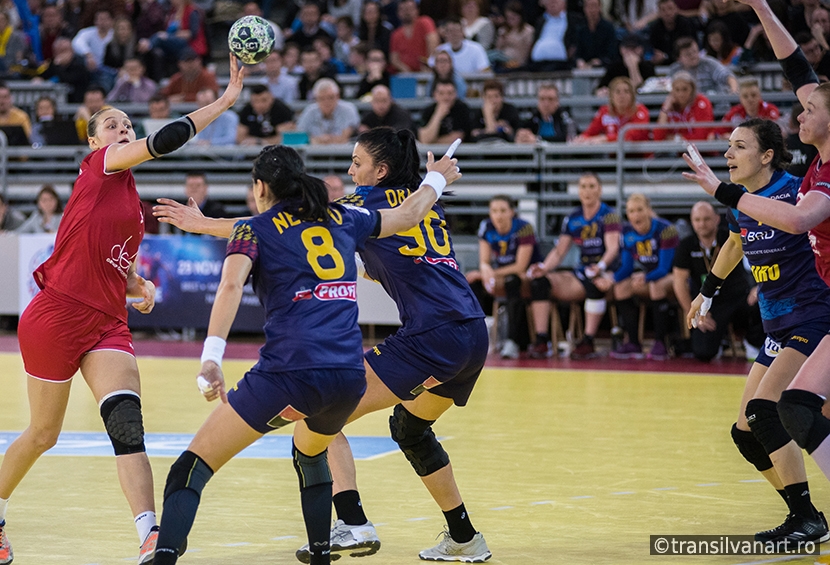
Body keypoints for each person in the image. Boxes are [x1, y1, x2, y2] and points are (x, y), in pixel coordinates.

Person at [152, 127, 489, 563]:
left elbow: (278, 224)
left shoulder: (359, 205)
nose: (350, 171)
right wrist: (435, 180)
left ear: (380, 171)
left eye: (357, 163)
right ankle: (464, 537)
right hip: (472, 332)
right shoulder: (422, 201)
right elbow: (408, 226)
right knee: (410, 429)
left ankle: (351, 523)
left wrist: (201, 224)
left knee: (323, 417)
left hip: (431, 336)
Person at [0, 54, 246, 565]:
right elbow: (162, 141)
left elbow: (114, 259)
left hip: (107, 320)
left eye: (126, 124)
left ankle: (150, 534)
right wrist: (223, 102)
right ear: (94, 141)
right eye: (113, 124)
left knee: (126, 423)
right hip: (58, 314)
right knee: (44, 433)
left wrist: (139, 283)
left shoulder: (132, 203)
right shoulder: (99, 166)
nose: (122, 129)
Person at [681, 0, 830, 538]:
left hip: (814, 318)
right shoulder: (751, 205)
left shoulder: (798, 191)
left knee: (779, 412)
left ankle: (807, 518)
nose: (728, 152)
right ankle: (803, 512)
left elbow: (795, 222)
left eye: (738, 145)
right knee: (747, 432)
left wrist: (718, 188)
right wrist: (707, 292)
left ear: (767, 155)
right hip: (777, 325)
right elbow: (736, 245)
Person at [527, 172, 621, 359]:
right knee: (540, 282)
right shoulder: (572, 218)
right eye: (583, 186)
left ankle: (588, 340)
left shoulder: (609, 216)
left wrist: (600, 267)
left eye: (592, 186)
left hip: (609, 270)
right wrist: (544, 267)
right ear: (578, 191)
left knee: (595, 284)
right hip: (583, 271)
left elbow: (613, 249)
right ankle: (541, 340)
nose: (587, 191)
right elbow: (560, 251)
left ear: (600, 190)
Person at [672, 200, 763, 362]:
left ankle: (752, 341)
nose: (702, 224)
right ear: (691, 222)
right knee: (703, 353)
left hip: (738, 297)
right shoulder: (686, 245)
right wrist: (693, 312)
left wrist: (756, 287)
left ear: (717, 219)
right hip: (709, 304)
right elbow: (679, 281)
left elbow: (756, 261)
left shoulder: (730, 238)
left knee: (761, 301)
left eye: (706, 219)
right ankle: (720, 341)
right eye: (697, 220)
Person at [466, 194, 547, 359]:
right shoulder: (486, 227)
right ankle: (475, 337)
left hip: (526, 277)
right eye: (494, 211)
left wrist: (487, 273)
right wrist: (484, 270)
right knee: (472, 283)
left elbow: (520, 266)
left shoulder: (524, 227)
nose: (498, 215)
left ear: (512, 212)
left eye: (503, 210)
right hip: (502, 274)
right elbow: (484, 260)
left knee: (513, 282)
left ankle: (512, 341)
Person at [606, 193, 678, 360]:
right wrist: (610, 280)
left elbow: (664, 268)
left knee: (656, 284)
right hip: (651, 276)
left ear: (648, 211)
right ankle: (633, 343)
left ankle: (660, 343)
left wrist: (645, 278)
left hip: (675, 277)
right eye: (631, 211)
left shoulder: (666, 230)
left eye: (639, 210)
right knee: (621, 286)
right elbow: (626, 267)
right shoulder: (627, 232)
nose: (635, 215)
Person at [573, 76, 650, 143]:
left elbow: (633, 136)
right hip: (613, 157)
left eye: (626, 91)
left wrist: (606, 139)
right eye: (617, 92)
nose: (622, 96)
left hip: (639, 156)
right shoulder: (605, 111)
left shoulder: (640, 111)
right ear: (611, 96)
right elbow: (590, 132)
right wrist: (582, 138)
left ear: (632, 96)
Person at [654, 71, 715, 142]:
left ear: (692, 89)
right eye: (677, 90)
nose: (681, 94)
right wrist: (664, 111)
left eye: (685, 89)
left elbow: (700, 137)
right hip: (672, 150)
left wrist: (676, 139)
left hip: (698, 150)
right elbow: (658, 138)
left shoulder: (702, 102)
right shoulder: (668, 104)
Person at [296, 78, 360, 145]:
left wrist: (318, 140)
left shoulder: (348, 109)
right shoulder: (309, 111)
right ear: (316, 99)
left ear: (338, 96)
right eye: (322, 99)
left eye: (330, 97)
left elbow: (344, 138)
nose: (327, 102)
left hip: (343, 153)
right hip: (314, 153)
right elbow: (300, 135)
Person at [669, 36, 739, 94]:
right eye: (688, 54)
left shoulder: (709, 63)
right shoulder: (674, 70)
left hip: (714, 105)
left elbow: (727, 76)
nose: (693, 56)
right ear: (679, 58)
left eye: (695, 51)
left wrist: (734, 91)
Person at [389, 0, 440, 72]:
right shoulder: (396, 34)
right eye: (403, 9)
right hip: (406, 74)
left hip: (426, 70)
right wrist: (405, 70)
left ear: (417, 10)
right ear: (398, 13)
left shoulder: (425, 22)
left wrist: (429, 64)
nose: (407, 12)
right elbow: (394, 59)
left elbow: (433, 43)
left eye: (410, 9)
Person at [418, 78, 472, 144]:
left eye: (450, 93)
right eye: (441, 93)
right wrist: (438, 115)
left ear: (456, 94)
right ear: (435, 95)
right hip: (434, 153)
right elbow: (425, 140)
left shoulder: (462, 109)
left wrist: (433, 142)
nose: (446, 97)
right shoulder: (428, 111)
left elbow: (456, 139)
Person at [649, 0, 699, 65]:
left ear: (676, 9)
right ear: (659, 13)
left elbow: (689, 47)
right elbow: (655, 49)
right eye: (663, 10)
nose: (667, 13)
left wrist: (666, 56)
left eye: (670, 8)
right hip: (663, 64)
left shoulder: (686, 24)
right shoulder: (655, 27)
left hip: (685, 62)